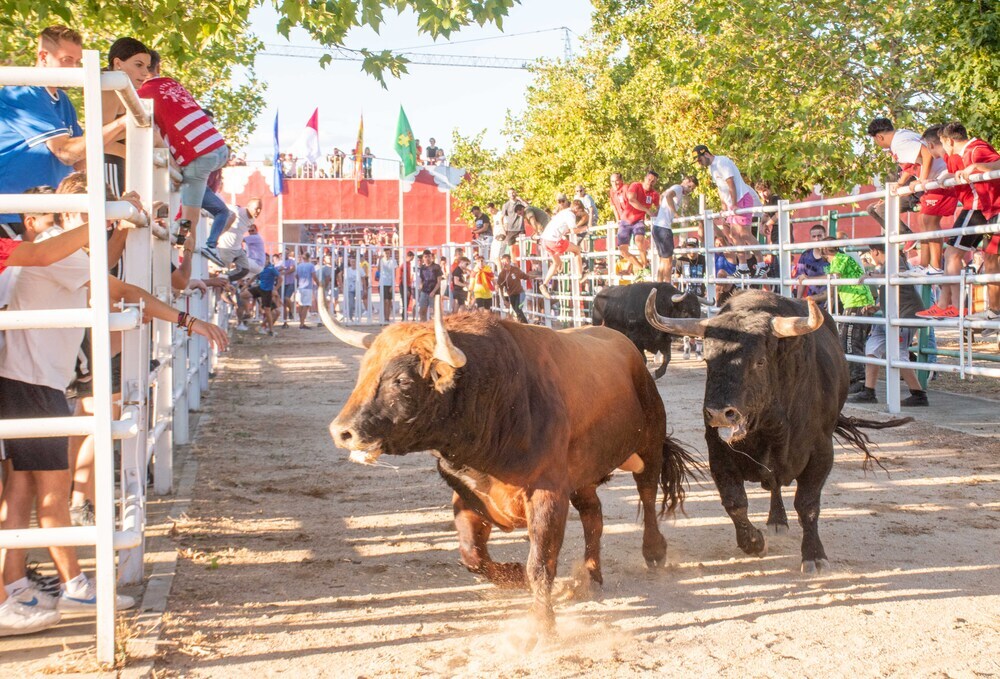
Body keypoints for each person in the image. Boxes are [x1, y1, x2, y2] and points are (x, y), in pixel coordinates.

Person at [0, 172, 227, 619]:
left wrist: (119, 227)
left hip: (28, 379)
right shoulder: (59, 248)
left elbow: (103, 273)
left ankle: (16, 584)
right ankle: (74, 585)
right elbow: (123, 290)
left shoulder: (62, 250)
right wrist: (188, 321)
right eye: (103, 212)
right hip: (34, 382)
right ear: (83, 212)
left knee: (24, 486)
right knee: (52, 489)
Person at [0, 26, 129, 228]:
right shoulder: (23, 91)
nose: (74, 69)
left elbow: (80, 161)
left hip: (44, 216)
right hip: (13, 217)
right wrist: (121, 123)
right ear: (43, 57)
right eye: (67, 60)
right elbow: (66, 153)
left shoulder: (63, 101)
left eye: (77, 62)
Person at [138, 50, 229, 244]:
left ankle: (184, 247)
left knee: (189, 215)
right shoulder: (171, 83)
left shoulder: (141, 96)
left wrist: (173, 163)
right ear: (159, 67)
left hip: (199, 154)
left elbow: (154, 135)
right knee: (191, 199)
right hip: (218, 146)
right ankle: (185, 244)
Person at [917, 122, 1000, 319]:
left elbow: (997, 164)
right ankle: (990, 310)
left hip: (980, 209)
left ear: (948, 141)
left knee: (954, 253)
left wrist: (977, 166)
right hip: (985, 210)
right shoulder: (961, 155)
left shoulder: (976, 150)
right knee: (989, 258)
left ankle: (954, 304)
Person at [868, 118, 951, 276]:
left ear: (878, 137)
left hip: (939, 180)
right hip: (933, 181)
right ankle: (924, 265)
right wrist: (900, 184)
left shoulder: (899, 143)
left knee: (929, 222)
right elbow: (912, 165)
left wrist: (921, 180)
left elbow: (926, 153)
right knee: (923, 222)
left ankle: (935, 266)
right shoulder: (901, 138)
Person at [848, 243, 929, 406]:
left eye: (871, 252)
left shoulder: (895, 261)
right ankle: (869, 391)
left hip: (903, 315)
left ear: (875, 251)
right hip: (889, 315)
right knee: (872, 349)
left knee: (898, 354)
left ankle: (918, 393)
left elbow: (893, 279)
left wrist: (871, 276)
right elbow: (893, 289)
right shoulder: (890, 262)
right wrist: (878, 306)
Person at [816, 239, 875, 387]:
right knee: (847, 340)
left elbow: (833, 279)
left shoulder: (840, 259)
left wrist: (807, 280)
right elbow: (831, 288)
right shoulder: (838, 260)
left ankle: (858, 380)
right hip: (854, 303)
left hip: (857, 303)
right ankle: (855, 379)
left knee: (850, 342)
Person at [694, 145, 759, 272]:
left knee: (744, 234)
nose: (699, 163)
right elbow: (721, 190)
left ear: (706, 154)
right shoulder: (712, 169)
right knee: (734, 235)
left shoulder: (722, 162)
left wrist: (734, 204)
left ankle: (761, 264)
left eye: (699, 160)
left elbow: (731, 183)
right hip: (731, 204)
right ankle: (743, 266)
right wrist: (724, 208)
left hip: (741, 199)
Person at [101, 37, 151, 194]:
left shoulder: (120, 92)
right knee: (113, 217)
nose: (145, 72)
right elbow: (99, 140)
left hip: (119, 166)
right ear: (118, 63)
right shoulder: (109, 90)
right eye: (138, 65)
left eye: (147, 67)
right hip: (110, 164)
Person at [538, 199, 589, 298]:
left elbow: (565, 229)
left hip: (545, 240)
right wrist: (585, 228)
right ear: (576, 209)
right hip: (553, 240)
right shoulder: (571, 215)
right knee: (577, 250)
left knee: (556, 263)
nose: (579, 214)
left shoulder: (563, 212)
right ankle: (580, 275)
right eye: (579, 211)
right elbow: (574, 230)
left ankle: (544, 285)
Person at [651, 176, 696, 282]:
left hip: (657, 227)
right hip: (664, 228)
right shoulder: (678, 188)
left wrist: (661, 210)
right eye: (690, 187)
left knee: (662, 261)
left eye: (692, 189)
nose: (690, 190)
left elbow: (663, 195)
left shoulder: (674, 188)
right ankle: (667, 287)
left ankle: (659, 286)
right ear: (685, 181)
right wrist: (676, 214)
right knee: (668, 262)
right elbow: (668, 196)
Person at [615, 170, 658, 279]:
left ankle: (645, 265)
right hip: (625, 221)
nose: (650, 182)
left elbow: (660, 207)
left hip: (639, 221)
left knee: (639, 241)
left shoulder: (654, 194)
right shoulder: (635, 185)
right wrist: (647, 211)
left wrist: (654, 215)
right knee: (623, 251)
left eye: (653, 181)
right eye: (649, 179)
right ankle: (642, 268)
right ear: (645, 178)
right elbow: (631, 200)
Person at [795, 224, 831, 301]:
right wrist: (798, 300)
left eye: (819, 236)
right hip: (811, 300)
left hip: (830, 299)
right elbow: (801, 279)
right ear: (810, 238)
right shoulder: (805, 255)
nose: (817, 239)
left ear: (825, 236)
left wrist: (809, 278)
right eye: (814, 237)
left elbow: (834, 276)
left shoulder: (833, 254)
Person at [497, 254, 531, 323]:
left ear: (509, 261)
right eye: (503, 262)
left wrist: (534, 276)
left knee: (518, 309)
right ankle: (522, 324)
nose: (505, 263)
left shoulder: (515, 270)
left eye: (506, 261)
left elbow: (525, 276)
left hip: (520, 293)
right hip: (512, 295)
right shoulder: (502, 274)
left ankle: (525, 324)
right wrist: (504, 300)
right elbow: (500, 288)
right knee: (516, 310)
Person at [250, 256, 280, 335]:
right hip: (262, 292)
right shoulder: (260, 269)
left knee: (276, 313)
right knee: (270, 312)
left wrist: (275, 289)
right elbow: (254, 278)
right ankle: (266, 328)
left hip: (267, 292)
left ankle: (264, 326)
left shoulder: (270, 269)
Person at [293, 250, 318, 329]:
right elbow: (313, 275)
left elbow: (296, 276)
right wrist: (318, 283)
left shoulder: (299, 265)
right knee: (306, 305)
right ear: (309, 258)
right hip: (307, 287)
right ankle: (302, 323)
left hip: (300, 286)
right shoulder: (311, 266)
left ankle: (301, 322)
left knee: (300, 305)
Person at [416, 250, 443, 321]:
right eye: (425, 257)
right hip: (424, 292)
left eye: (429, 256)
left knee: (435, 312)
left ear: (431, 257)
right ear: (423, 258)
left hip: (434, 293)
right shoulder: (422, 268)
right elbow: (422, 279)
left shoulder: (436, 267)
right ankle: (423, 326)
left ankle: (434, 327)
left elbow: (439, 281)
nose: (427, 258)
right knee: (422, 311)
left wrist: (434, 291)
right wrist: (421, 287)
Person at [377, 248, 397, 323]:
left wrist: (393, 285)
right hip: (383, 283)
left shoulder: (393, 261)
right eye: (386, 253)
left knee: (389, 301)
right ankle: (385, 318)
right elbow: (378, 270)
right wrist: (379, 260)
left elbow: (394, 273)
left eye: (388, 253)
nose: (387, 254)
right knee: (385, 301)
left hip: (390, 283)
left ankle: (387, 317)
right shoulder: (381, 260)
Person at [278, 249, 297, 327]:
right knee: (283, 304)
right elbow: (276, 270)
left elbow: (293, 269)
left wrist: (284, 272)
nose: (285, 254)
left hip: (290, 283)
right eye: (284, 253)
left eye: (287, 253)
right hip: (281, 284)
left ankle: (291, 310)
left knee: (286, 298)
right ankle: (285, 322)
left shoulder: (291, 261)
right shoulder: (279, 263)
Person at [396, 250, 416, 320]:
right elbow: (403, 277)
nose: (412, 259)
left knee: (406, 301)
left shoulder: (408, 264)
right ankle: (404, 316)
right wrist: (406, 288)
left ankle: (404, 315)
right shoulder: (405, 265)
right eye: (412, 258)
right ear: (409, 256)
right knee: (405, 300)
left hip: (407, 284)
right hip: (404, 284)